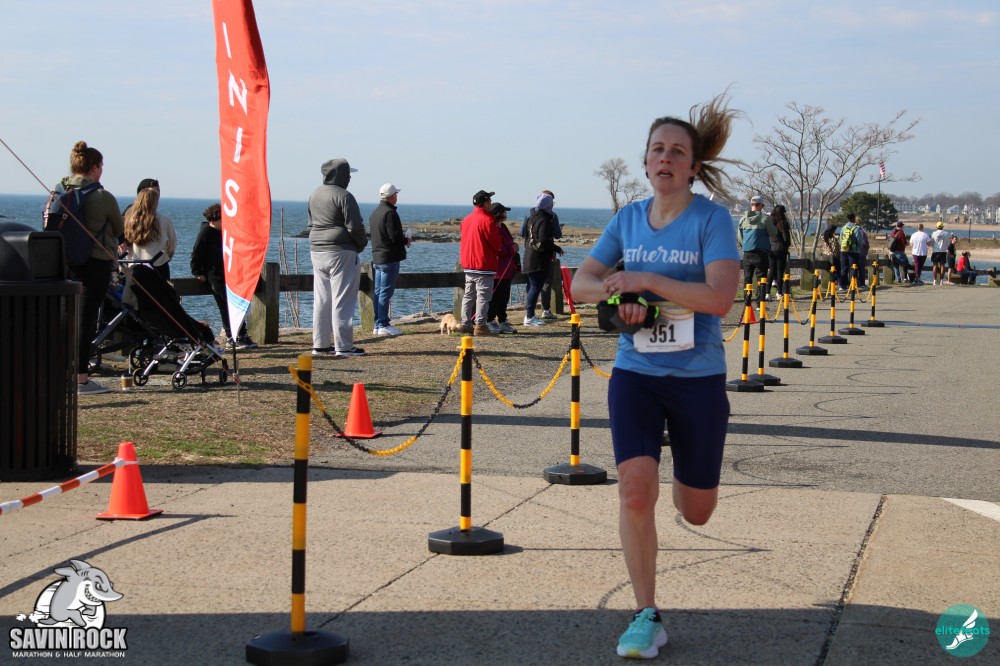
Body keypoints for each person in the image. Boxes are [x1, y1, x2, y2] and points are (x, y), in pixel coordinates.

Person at [571, 93, 742, 660]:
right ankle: (647, 614)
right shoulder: (627, 219)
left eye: (677, 151)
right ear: (645, 162)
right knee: (634, 490)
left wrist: (646, 280)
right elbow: (581, 284)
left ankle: (687, 483)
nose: (665, 157)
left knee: (697, 511)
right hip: (637, 374)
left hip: (698, 379)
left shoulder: (712, 220)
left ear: (693, 167)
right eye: (657, 149)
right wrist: (619, 296)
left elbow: (719, 298)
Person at [58, 141, 125, 395]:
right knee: (85, 322)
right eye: (101, 166)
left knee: (64, 319)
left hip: (62, 263)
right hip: (94, 264)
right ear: (95, 167)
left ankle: (60, 373)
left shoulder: (58, 191)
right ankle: (81, 379)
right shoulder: (102, 197)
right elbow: (119, 229)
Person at [308, 158, 367, 357]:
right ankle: (343, 346)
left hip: (317, 250)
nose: (350, 178)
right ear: (341, 175)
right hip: (341, 250)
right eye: (348, 174)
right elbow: (355, 226)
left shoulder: (315, 194)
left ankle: (320, 344)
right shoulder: (344, 196)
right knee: (343, 299)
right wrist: (360, 244)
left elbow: (311, 222)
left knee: (322, 299)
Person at [190, 202, 257, 349]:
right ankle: (231, 337)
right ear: (214, 219)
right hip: (216, 276)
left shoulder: (224, 233)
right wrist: (197, 272)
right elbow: (196, 254)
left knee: (237, 306)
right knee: (226, 307)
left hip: (230, 275)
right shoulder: (205, 233)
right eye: (223, 220)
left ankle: (242, 334)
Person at [459, 189, 502, 336]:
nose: (491, 203)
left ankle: (465, 324)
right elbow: (496, 244)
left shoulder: (466, 220)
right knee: (483, 296)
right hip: (483, 263)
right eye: (489, 201)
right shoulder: (487, 220)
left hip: (468, 263)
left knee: (469, 295)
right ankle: (480, 325)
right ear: (485, 203)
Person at [369, 183, 410, 337]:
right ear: (392, 196)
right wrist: (406, 240)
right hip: (389, 257)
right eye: (396, 194)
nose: (396, 197)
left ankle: (377, 324)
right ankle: (383, 324)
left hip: (377, 257)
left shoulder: (375, 213)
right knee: (385, 292)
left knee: (378, 292)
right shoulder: (390, 213)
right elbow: (394, 237)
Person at [522, 193, 563, 325]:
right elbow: (544, 240)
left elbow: (524, 234)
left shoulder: (531, 217)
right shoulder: (545, 219)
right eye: (552, 203)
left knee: (533, 287)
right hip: (538, 259)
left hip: (528, 254)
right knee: (535, 287)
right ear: (548, 205)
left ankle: (530, 315)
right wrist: (557, 248)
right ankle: (529, 316)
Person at [123, 187, 176, 281]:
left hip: (134, 269)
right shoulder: (165, 221)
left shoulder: (129, 221)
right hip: (158, 268)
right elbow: (171, 248)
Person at [486, 202, 519, 334]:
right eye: (504, 212)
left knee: (504, 298)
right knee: (494, 297)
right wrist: (510, 250)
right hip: (497, 270)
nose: (506, 214)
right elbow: (499, 248)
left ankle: (503, 321)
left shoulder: (504, 227)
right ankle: (490, 321)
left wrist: (514, 246)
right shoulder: (493, 228)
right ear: (498, 214)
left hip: (507, 269)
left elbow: (509, 243)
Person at [736, 195, 775, 296]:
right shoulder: (765, 219)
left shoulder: (743, 219)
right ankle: (760, 302)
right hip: (761, 253)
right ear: (761, 205)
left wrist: (745, 246)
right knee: (761, 279)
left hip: (747, 253)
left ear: (751, 205)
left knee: (747, 278)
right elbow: (773, 233)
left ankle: (747, 301)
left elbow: (739, 237)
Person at [766, 204, 791, 299]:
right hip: (781, 249)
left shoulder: (769, 222)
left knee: (771, 271)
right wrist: (787, 244)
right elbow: (786, 238)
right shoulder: (783, 223)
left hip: (770, 249)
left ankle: (767, 293)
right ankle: (779, 292)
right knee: (780, 271)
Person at [838, 213, 862, 290]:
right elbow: (859, 241)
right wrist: (859, 248)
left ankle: (842, 285)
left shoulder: (843, 228)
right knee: (853, 268)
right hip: (854, 251)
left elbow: (841, 239)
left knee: (844, 268)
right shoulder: (856, 228)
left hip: (844, 250)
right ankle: (852, 285)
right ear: (854, 219)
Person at [930, 221, 949, 285]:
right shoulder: (946, 233)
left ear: (936, 227)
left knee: (935, 265)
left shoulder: (934, 233)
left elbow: (931, 242)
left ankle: (934, 280)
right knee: (942, 265)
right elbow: (947, 243)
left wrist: (934, 246)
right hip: (943, 251)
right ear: (942, 227)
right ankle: (941, 280)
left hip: (935, 251)